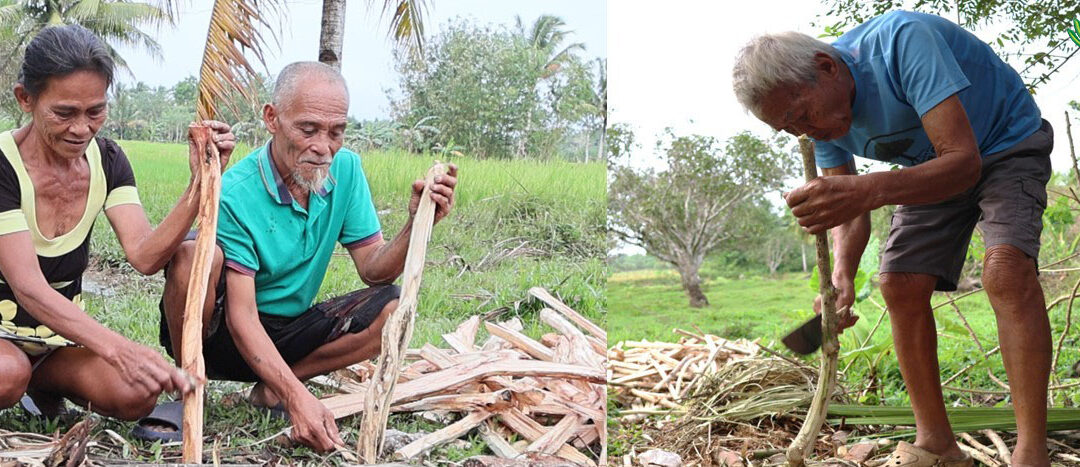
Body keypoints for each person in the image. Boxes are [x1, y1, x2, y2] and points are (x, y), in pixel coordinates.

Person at [734, 11, 1052, 467]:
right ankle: (937, 443)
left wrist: (867, 189)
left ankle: (1031, 451)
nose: (805, 132)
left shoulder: (903, 42)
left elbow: (963, 163)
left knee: (1005, 271)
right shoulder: (822, 123)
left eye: (802, 116)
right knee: (898, 282)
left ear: (827, 67)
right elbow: (850, 211)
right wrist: (841, 275)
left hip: (1004, 145)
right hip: (933, 166)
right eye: (791, 129)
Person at [157, 61, 457, 452]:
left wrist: (417, 224)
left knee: (392, 307)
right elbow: (242, 316)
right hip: (222, 336)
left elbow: (373, 269)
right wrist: (300, 401)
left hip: (290, 331)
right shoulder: (236, 191)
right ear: (272, 118)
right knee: (192, 254)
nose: (323, 147)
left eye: (336, 132)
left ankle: (274, 388)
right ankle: (190, 386)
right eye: (308, 129)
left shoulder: (345, 170)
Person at [0, 25, 234, 422]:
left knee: (137, 392)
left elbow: (145, 255)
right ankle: (21, 382)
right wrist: (117, 348)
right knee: (8, 373)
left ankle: (43, 385)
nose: (82, 129)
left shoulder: (107, 161)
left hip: (54, 344)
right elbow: (30, 289)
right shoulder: (4, 166)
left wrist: (202, 182)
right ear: (26, 98)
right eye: (64, 113)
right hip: (5, 340)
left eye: (96, 111)